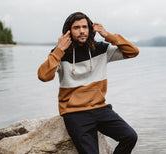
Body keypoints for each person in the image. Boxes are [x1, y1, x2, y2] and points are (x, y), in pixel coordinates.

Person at [37, 12, 139, 154]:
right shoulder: (60, 53)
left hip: (100, 109)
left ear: (90, 29)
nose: (82, 31)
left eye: (85, 27)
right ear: (68, 32)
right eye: (76, 27)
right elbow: (43, 76)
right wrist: (59, 50)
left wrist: (108, 35)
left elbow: (133, 52)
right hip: (74, 113)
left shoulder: (101, 49)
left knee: (130, 136)